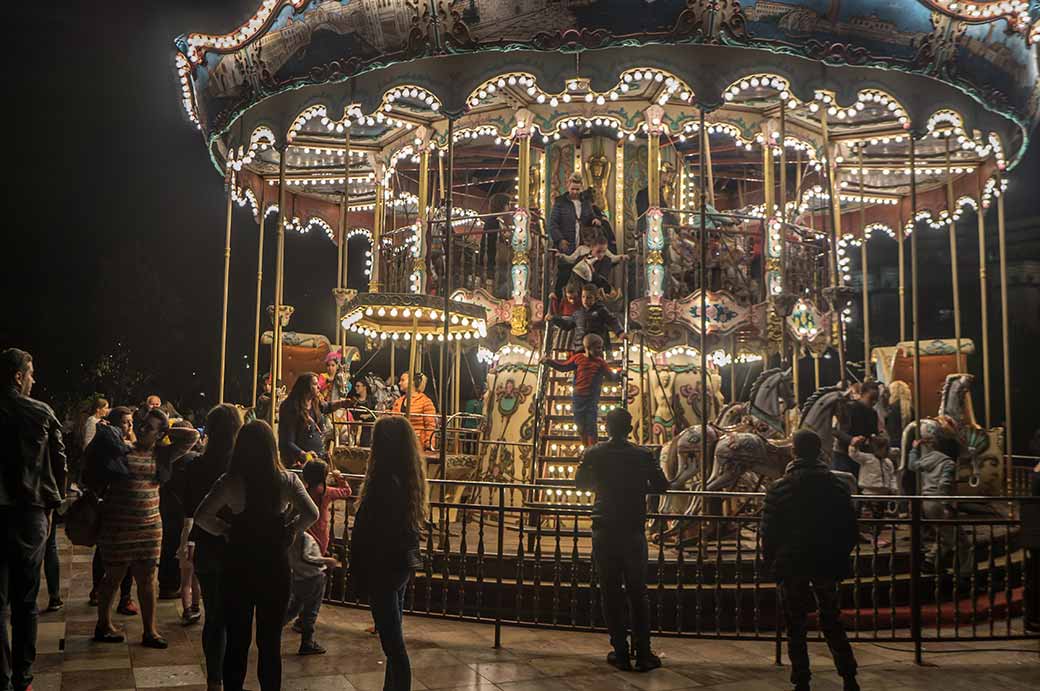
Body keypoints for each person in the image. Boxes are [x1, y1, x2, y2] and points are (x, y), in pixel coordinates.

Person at [194, 420, 318, 691]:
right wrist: (291, 530)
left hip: (238, 566)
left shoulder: (231, 481)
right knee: (269, 642)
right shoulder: (287, 480)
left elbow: (202, 515)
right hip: (274, 566)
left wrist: (225, 529)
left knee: (237, 641)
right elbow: (312, 513)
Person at [762, 429, 859, 691]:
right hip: (826, 561)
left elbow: (769, 531)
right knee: (832, 619)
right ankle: (848, 675)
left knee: (795, 622)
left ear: (793, 452)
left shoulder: (779, 488)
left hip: (792, 563)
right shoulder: (838, 486)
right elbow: (850, 527)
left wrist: (771, 560)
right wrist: (839, 554)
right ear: (819, 451)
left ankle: (801, 678)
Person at [93, 408, 198, 648]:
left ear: (160, 435)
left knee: (148, 579)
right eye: (142, 425)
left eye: (148, 428)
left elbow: (191, 437)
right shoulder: (121, 449)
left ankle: (150, 631)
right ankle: (103, 624)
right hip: (118, 527)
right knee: (114, 577)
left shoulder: (163, 455)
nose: (141, 429)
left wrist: (167, 427)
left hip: (150, 527)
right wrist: (157, 429)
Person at [574, 408, 668, 672]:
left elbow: (580, 483)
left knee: (610, 591)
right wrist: (638, 486)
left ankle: (620, 651)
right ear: (630, 428)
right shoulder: (643, 455)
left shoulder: (594, 453)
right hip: (632, 527)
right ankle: (644, 652)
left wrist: (601, 484)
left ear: (606, 427)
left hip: (604, 526)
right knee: (638, 593)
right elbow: (662, 485)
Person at [0, 348, 67, 691]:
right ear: (18, 376)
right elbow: (59, 465)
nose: (33, 380)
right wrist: (54, 505)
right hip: (30, 514)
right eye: (31, 373)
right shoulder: (39, 413)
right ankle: (23, 677)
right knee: (26, 601)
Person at [351, 416, 428, 691]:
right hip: (398, 570)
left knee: (394, 648)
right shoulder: (406, 481)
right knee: (393, 640)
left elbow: (368, 531)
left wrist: (358, 571)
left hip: (382, 570)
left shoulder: (383, 484)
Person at [169, 404, 242, 691]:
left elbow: (188, 506)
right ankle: (232, 677)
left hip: (207, 545)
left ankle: (215, 680)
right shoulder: (240, 467)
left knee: (215, 615)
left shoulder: (196, 465)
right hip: (236, 546)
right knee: (236, 616)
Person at [88, 406, 136, 612]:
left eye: (131, 422)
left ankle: (121, 596)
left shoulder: (112, 436)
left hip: (117, 502)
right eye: (126, 422)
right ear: (116, 422)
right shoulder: (108, 434)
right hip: (108, 502)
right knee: (106, 550)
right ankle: (105, 593)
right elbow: (122, 452)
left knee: (118, 551)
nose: (130, 426)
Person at [543, 334, 621, 448]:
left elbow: (610, 376)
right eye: (598, 348)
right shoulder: (578, 358)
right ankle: (586, 447)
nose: (600, 351)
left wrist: (619, 373)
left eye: (601, 348)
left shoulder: (600, 362)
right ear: (588, 348)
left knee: (591, 424)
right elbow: (564, 366)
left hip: (590, 399)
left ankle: (592, 449)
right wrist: (549, 361)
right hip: (578, 398)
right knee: (580, 425)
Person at [908, 436, 971, 576]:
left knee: (944, 536)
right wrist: (947, 505)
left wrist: (913, 449)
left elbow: (912, 465)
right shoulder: (948, 463)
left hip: (927, 502)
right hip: (939, 503)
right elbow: (944, 485)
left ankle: (930, 562)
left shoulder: (927, 461)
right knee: (962, 542)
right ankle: (966, 574)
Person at [548, 172, 605, 296]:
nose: (575, 192)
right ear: (568, 186)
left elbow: (590, 216)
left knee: (586, 274)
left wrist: (594, 219)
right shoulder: (560, 202)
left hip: (583, 242)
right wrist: (560, 239)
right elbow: (553, 224)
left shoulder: (585, 202)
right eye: (572, 189)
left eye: (577, 189)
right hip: (567, 242)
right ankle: (558, 301)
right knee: (564, 273)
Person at [284, 530, 339, 655]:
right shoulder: (303, 536)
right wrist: (326, 560)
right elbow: (306, 557)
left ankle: (272, 630)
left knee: (294, 608)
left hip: (299, 577)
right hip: (313, 577)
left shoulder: (288, 535)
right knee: (311, 610)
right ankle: (307, 642)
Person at [278, 372, 350, 466]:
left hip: (317, 458)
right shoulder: (291, 408)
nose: (319, 386)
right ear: (305, 387)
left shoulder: (314, 402)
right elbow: (287, 441)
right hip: (299, 462)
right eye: (315, 384)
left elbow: (326, 407)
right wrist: (303, 454)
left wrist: (342, 403)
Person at [551, 283, 625, 353]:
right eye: (583, 297)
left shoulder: (601, 310)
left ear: (595, 298)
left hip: (596, 348)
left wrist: (620, 332)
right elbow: (567, 325)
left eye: (589, 297)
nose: (585, 300)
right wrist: (553, 319)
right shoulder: (578, 313)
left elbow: (612, 320)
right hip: (580, 348)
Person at [301, 459, 351, 556]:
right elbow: (347, 491)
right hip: (321, 532)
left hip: (305, 530)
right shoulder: (326, 492)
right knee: (318, 557)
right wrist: (338, 477)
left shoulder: (302, 491)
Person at [832, 380, 880, 476]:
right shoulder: (849, 408)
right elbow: (835, 430)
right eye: (871, 398)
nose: (874, 402)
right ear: (862, 394)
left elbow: (873, 433)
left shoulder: (873, 413)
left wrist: (875, 439)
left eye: (876, 399)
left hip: (861, 454)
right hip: (843, 454)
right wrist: (851, 439)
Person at [391, 372, 437, 451]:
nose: (399, 383)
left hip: (416, 443)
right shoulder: (398, 401)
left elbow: (430, 425)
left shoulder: (425, 401)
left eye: (402, 380)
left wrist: (429, 444)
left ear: (411, 382)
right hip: (398, 442)